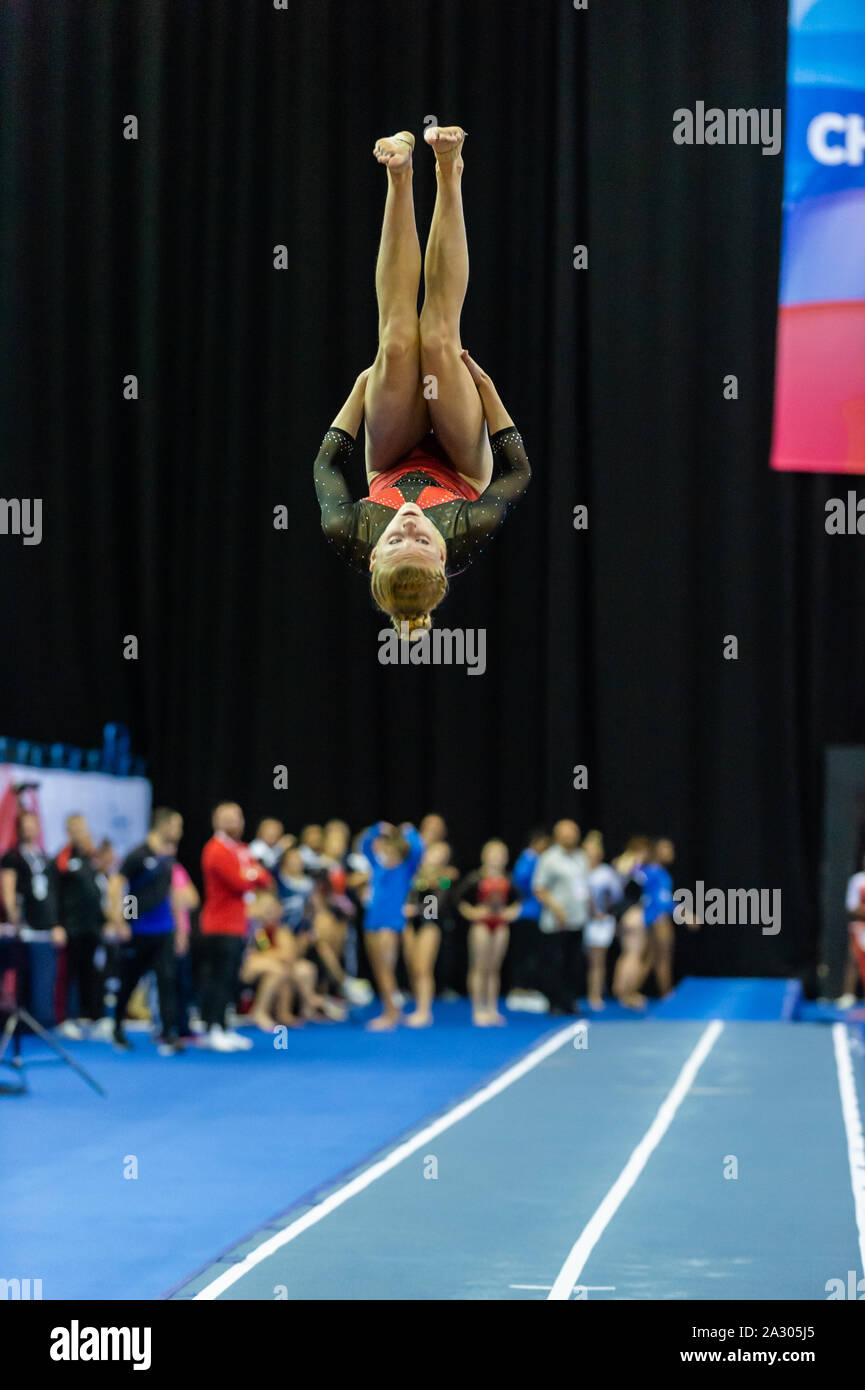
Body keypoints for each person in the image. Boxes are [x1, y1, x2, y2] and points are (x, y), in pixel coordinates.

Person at [313, 126, 531, 636]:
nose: (409, 524)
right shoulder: (470, 531)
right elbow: (516, 471)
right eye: (423, 540)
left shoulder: (347, 530)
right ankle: (450, 169)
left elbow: (327, 459)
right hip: (461, 463)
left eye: (395, 541)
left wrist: (363, 386)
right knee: (437, 338)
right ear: (444, 560)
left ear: (371, 558)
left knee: (393, 342)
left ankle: (400, 173)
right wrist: (488, 389)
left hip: (388, 458)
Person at [109, 808, 186, 1055]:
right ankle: (117, 1028)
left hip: (164, 930)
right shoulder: (137, 855)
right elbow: (118, 885)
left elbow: (171, 892)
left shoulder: (168, 858)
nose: (180, 832)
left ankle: (167, 1032)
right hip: (139, 931)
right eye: (177, 826)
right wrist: (122, 920)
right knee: (130, 980)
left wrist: (180, 927)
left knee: (166, 980)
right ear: (163, 826)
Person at [199, 802, 273, 1052]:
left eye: (236, 818)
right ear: (216, 822)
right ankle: (212, 1028)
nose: (233, 823)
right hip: (219, 925)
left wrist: (252, 874)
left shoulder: (240, 849)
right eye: (226, 818)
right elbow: (239, 882)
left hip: (238, 924)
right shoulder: (215, 849)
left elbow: (263, 877)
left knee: (230, 979)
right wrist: (252, 874)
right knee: (217, 978)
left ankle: (223, 1026)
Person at [0, 810, 63, 1028]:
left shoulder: (45, 859)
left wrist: (56, 923)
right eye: (25, 824)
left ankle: (40, 1022)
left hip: (45, 929)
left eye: (32, 824)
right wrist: (14, 918)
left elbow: (53, 894)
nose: (29, 829)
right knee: (21, 979)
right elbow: (8, 891)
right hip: (23, 930)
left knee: (43, 986)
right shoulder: (12, 856)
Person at [359, 820, 424, 1030]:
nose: (389, 856)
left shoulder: (405, 869)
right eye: (386, 851)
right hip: (372, 922)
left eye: (393, 852)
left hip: (390, 924)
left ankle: (391, 1013)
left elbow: (419, 849)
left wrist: (409, 831)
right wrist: (378, 827)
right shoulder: (377, 864)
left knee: (387, 969)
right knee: (379, 970)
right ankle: (389, 1009)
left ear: (400, 853)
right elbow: (364, 844)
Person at [53, 814, 111, 1038]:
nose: (79, 833)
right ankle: (65, 1019)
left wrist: (122, 920)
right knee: (68, 975)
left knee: (93, 974)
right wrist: (57, 924)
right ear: (68, 832)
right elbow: (55, 895)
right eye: (74, 829)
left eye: (82, 828)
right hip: (71, 928)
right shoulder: (63, 859)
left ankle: (96, 1017)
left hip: (95, 929)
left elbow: (116, 893)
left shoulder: (94, 859)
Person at [456, 839, 521, 1025]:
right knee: (479, 967)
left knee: (494, 968)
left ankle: (492, 1008)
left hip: (500, 924)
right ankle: (478, 1009)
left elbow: (520, 898)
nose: (495, 858)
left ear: (506, 858)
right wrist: (472, 912)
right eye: (492, 854)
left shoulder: (507, 879)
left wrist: (512, 912)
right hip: (481, 925)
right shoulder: (476, 878)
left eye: (500, 855)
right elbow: (458, 898)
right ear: (484, 856)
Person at [532, 820, 590, 1015]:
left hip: (578, 919)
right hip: (556, 922)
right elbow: (539, 888)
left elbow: (583, 886)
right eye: (566, 833)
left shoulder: (581, 857)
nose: (570, 836)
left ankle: (570, 1001)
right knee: (554, 963)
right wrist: (557, 909)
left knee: (574, 963)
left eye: (573, 832)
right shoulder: (549, 858)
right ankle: (554, 1002)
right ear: (557, 836)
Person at [403, 839, 458, 1026]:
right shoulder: (413, 873)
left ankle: (425, 1011)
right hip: (410, 925)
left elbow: (434, 907)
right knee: (413, 968)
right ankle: (418, 1005)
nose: (437, 857)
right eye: (435, 852)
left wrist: (415, 909)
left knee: (423, 969)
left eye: (443, 855)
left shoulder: (444, 879)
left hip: (429, 924)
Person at [507, 828, 550, 1012]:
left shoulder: (534, 859)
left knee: (531, 954)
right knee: (526, 954)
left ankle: (526, 990)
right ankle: (520, 991)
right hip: (527, 914)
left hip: (535, 913)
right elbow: (520, 881)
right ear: (536, 843)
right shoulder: (530, 858)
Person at [582, 831, 623, 1012]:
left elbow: (616, 895)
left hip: (601, 922)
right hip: (580, 921)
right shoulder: (579, 871)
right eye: (588, 852)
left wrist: (603, 910)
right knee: (583, 960)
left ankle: (595, 995)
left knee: (597, 961)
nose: (592, 856)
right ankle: (585, 993)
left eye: (595, 852)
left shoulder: (605, 872)